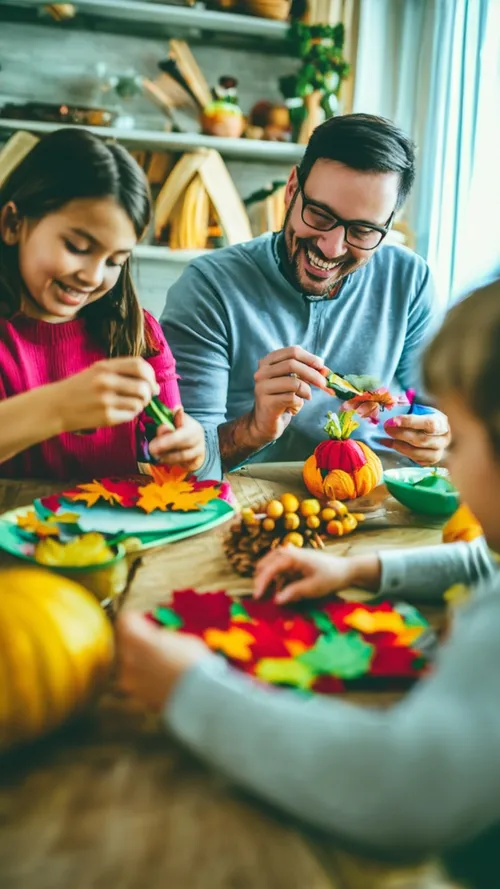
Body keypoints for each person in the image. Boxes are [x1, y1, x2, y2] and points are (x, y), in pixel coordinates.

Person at [118, 277, 500, 884]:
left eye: (463, 439)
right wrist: (358, 568)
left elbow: (405, 788)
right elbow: (486, 568)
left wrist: (189, 688)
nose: (447, 458)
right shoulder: (215, 290)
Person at [161, 113, 450, 479]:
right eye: (319, 214)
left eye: (362, 231)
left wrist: (439, 436)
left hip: (377, 503)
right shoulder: (209, 287)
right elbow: (180, 468)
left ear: (388, 225)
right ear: (292, 189)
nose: (331, 248)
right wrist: (253, 430)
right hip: (250, 508)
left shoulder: (412, 280)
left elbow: (439, 410)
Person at [0, 128, 205, 480]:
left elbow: (171, 456)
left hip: (115, 534)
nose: (94, 277)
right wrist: (59, 408)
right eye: (77, 248)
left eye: (114, 261)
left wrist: (189, 447)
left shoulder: (139, 335)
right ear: (13, 224)